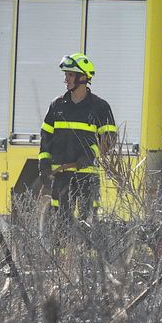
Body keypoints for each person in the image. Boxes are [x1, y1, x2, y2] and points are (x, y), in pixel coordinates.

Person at [38, 53, 117, 228]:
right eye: (66, 74)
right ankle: (61, 255)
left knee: (87, 224)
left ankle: (85, 254)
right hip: (61, 175)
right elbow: (46, 136)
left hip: (86, 175)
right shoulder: (57, 105)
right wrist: (44, 163)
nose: (66, 79)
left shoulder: (100, 107)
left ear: (83, 78)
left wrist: (90, 154)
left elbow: (110, 138)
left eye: (70, 75)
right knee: (62, 223)